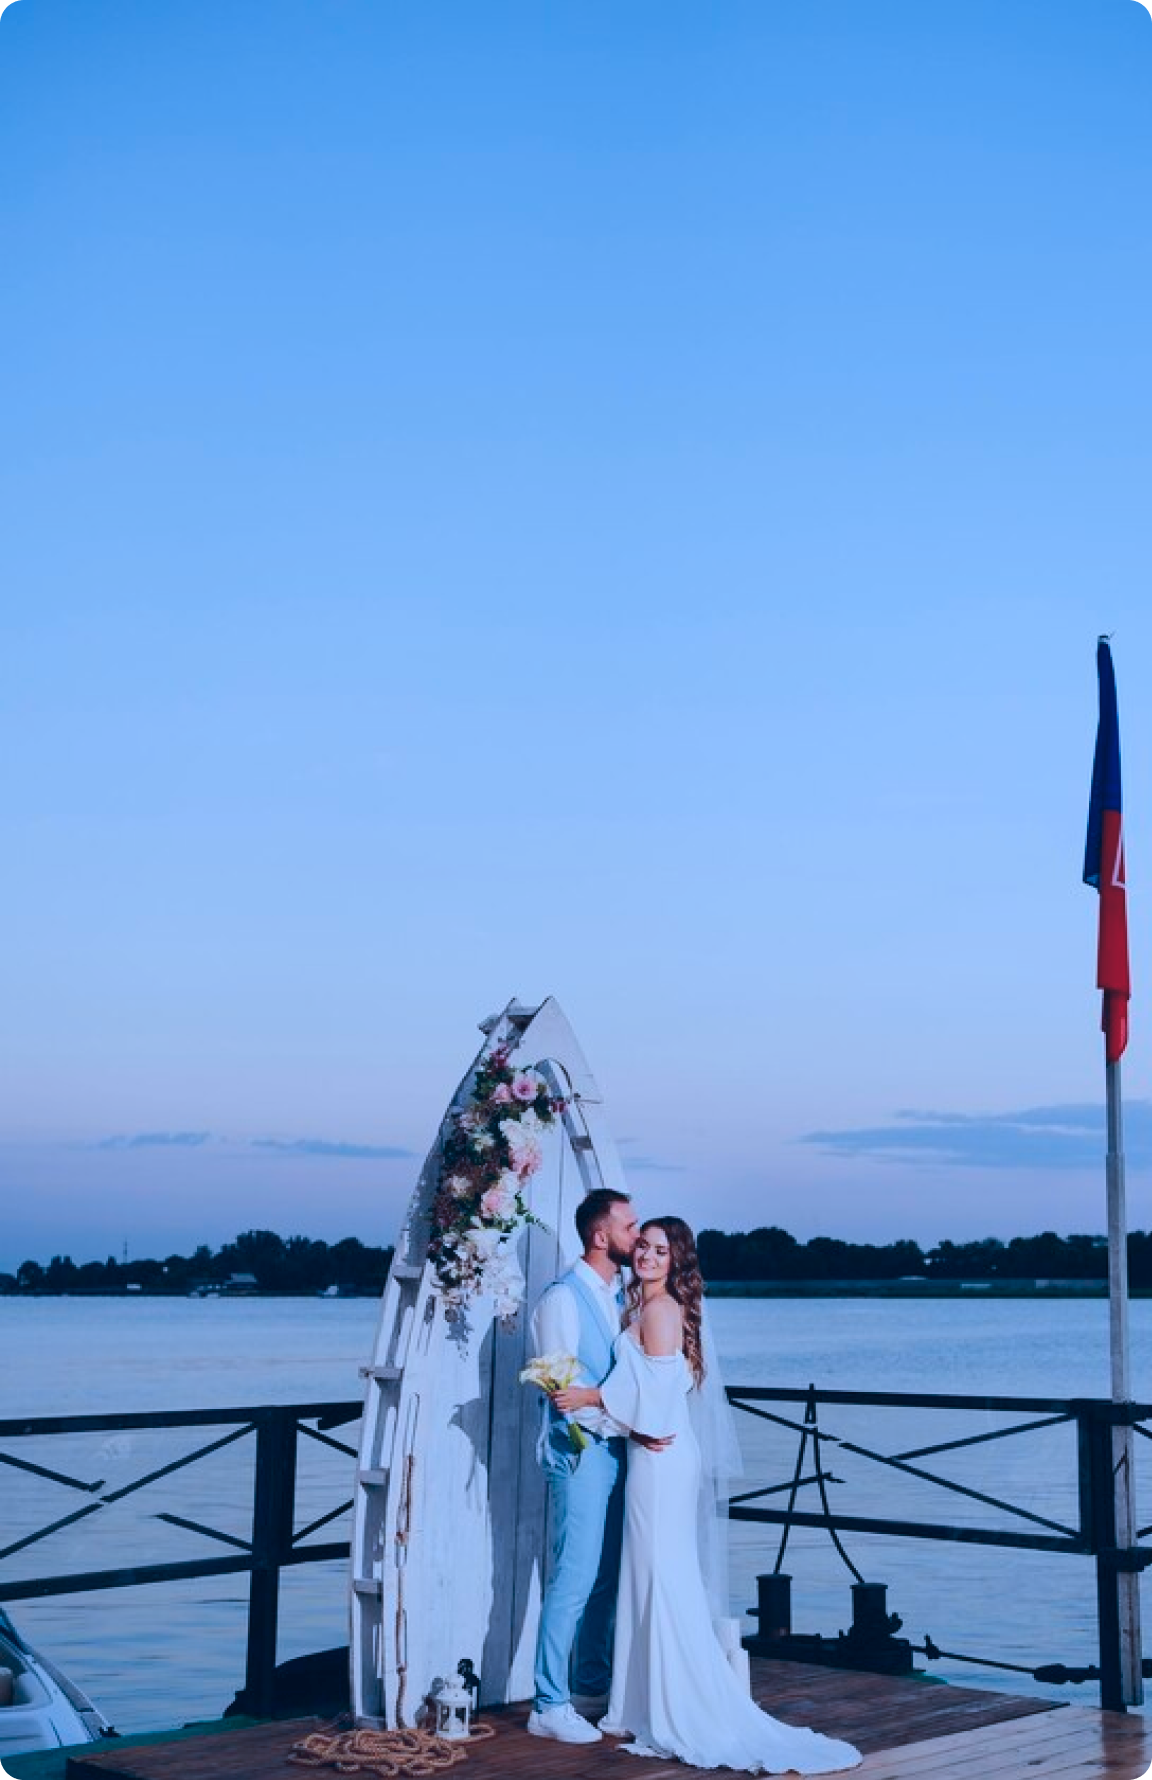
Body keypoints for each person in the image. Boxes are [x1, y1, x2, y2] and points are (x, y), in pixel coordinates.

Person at [553, 1217, 862, 1775]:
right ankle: (638, 1701)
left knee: (662, 1575)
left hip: (662, 1459)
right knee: (646, 1575)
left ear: (676, 1263)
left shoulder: (662, 1309)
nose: (646, 1256)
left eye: (659, 1251)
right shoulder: (641, 1306)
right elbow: (652, 1390)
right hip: (652, 1451)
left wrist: (591, 1393)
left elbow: (658, 1390)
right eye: (642, 1246)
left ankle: (678, 1704)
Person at [527, 1187, 669, 1747]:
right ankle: (548, 1703)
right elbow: (561, 1393)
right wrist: (619, 1419)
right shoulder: (561, 1299)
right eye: (630, 1227)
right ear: (600, 1235)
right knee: (575, 1578)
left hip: (620, 1452)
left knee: (610, 1575)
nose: (637, 1237)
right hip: (581, 1453)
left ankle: (590, 1684)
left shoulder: (622, 1298)